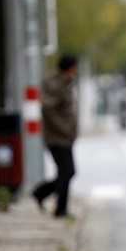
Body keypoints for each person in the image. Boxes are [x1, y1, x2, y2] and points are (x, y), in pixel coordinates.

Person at [33, 53, 79, 218]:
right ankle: (57, 206)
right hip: (57, 137)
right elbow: (48, 109)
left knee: (67, 172)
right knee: (67, 171)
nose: (77, 70)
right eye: (75, 67)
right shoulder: (55, 84)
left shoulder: (66, 82)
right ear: (69, 68)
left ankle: (45, 196)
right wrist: (64, 129)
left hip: (64, 137)